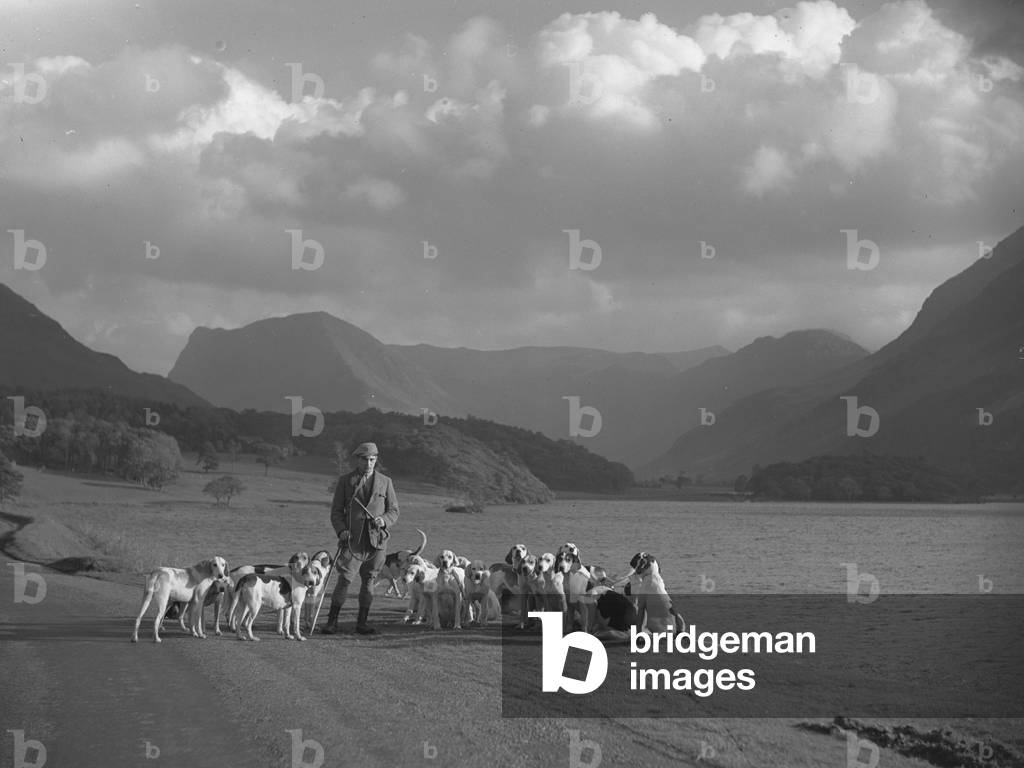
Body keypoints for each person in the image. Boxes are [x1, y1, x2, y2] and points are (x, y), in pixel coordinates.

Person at [322, 442, 400, 635]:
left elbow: (394, 511)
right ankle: (332, 622)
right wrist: (341, 531)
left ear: (376, 460)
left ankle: (362, 623)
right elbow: (336, 512)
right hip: (352, 540)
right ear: (357, 460)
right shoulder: (345, 481)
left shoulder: (386, 481)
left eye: (372, 459)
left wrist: (384, 520)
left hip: (377, 540)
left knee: (369, 580)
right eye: (364, 459)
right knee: (345, 579)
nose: (368, 463)